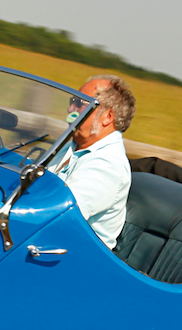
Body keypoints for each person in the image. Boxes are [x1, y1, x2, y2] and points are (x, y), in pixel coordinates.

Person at [53, 75, 135, 249]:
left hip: (74, 257)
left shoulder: (108, 165)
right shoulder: (72, 145)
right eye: (71, 100)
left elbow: (56, 214)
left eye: (79, 103)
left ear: (107, 117)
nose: (70, 109)